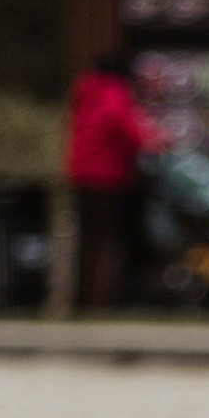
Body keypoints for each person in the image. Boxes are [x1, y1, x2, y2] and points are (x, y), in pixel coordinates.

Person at [64, 41, 156, 309]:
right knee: (107, 241)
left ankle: (82, 297)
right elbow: (132, 132)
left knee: (87, 241)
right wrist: (157, 139)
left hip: (82, 175)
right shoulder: (114, 93)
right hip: (107, 178)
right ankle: (103, 298)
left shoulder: (85, 91)